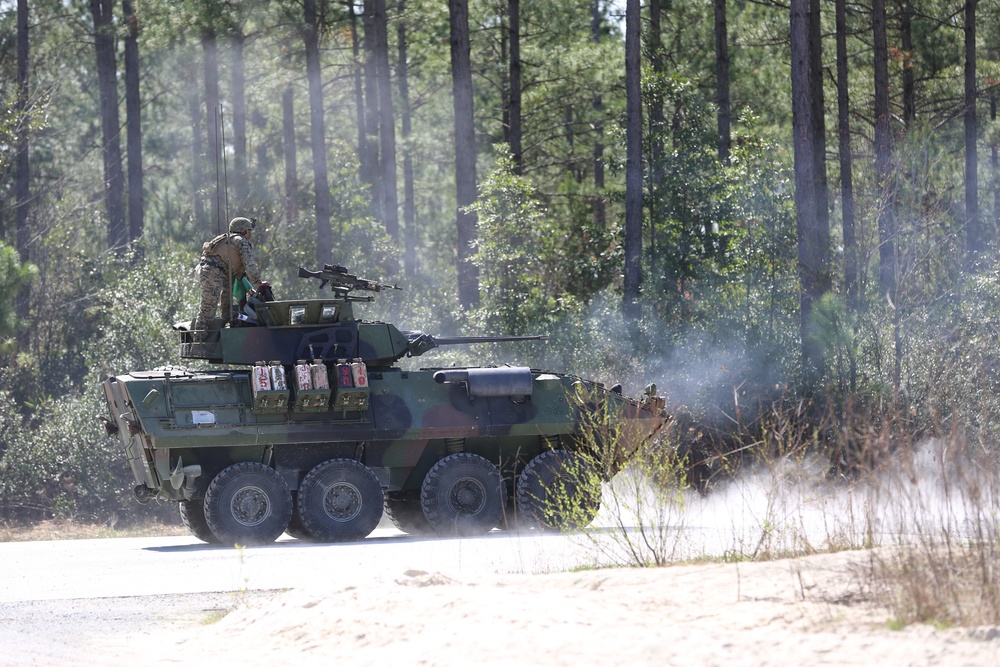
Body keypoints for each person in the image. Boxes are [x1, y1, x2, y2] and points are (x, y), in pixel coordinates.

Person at [193, 217, 264, 338]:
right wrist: (259, 285)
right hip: (213, 272)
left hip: (222, 272)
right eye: (249, 231)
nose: (250, 235)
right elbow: (250, 265)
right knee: (209, 306)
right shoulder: (240, 240)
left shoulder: (227, 239)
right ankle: (199, 337)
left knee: (227, 307)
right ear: (244, 231)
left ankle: (228, 328)